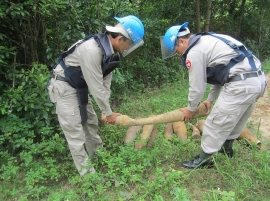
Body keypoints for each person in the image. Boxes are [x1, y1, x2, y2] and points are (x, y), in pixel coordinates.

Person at [47, 15, 145, 177]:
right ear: (120, 38)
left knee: (91, 122)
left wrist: (104, 110)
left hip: (79, 87)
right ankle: (88, 176)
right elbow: (96, 86)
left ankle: (99, 156)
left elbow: (105, 83)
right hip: (64, 86)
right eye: (129, 44)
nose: (129, 48)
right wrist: (108, 113)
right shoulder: (92, 50)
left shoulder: (112, 53)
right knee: (75, 132)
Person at [160, 22, 267, 169]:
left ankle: (204, 160)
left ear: (182, 41)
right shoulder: (209, 40)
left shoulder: (194, 51)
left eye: (176, 49)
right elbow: (221, 73)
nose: (178, 54)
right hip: (257, 80)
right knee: (237, 118)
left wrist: (191, 109)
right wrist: (210, 100)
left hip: (241, 83)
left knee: (214, 123)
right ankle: (226, 148)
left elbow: (197, 87)